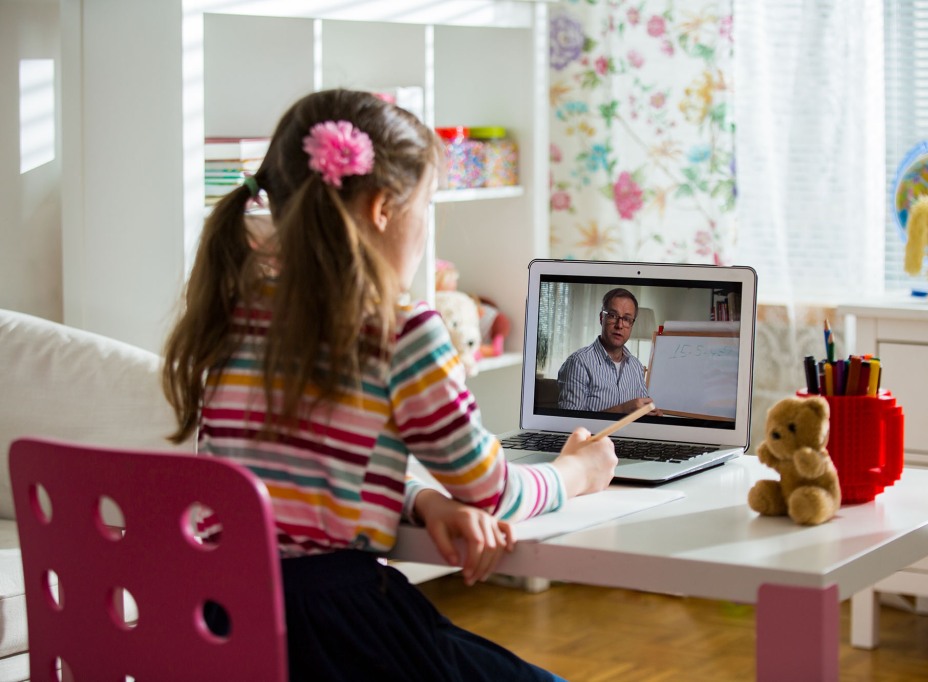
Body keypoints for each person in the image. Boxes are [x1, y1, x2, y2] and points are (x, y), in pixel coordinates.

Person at [162, 88, 617, 681]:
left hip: (223, 625)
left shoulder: (233, 315)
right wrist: (575, 472)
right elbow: (492, 492)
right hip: (334, 632)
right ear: (383, 209)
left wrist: (420, 498)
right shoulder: (401, 332)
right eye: (427, 206)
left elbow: (286, 490)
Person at [557, 288, 661, 415]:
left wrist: (653, 417)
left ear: (632, 325)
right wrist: (623, 409)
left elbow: (643, 411)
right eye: (613, 316)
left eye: (627, 319)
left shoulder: (637, 367)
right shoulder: (578, 363)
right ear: (602, 318)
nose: (619, 325)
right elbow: (569, 425)